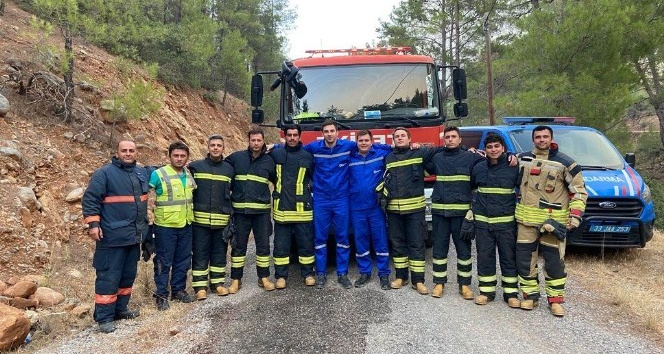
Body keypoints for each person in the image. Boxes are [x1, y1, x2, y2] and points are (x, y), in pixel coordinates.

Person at [515, 125, 587, 317]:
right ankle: (530, 297)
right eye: (538, 137)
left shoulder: (567, 164)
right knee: (524, 261)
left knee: (554, 263)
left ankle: (555, 301)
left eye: (545, 136)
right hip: (525, 222)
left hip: (553, 225)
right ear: (533, 140)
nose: (541, 140)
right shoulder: (522, 159)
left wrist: (575, 216)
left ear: (551, 138)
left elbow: (579, 192)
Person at [82, 140, 150, 333]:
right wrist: (93, 224)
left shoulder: (140, 172)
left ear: (136, 152)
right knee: (108, 277)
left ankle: (121, 310)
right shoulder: (104, 173)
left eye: (131, 150)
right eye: (124, 150)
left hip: (133, 236)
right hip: (111, 237)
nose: (128, 153)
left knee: (127, 276)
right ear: (117, 152)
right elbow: (90, 199)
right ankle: (104, 318)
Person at [379, 127, 440, 295]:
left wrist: (465, 148)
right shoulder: (388, 157)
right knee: (398, 245)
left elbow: (441, 150)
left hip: (415, 210)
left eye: (402, 136)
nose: (399, 138)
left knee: (416, 244)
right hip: (394, 211)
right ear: (393, 140)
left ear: (409, 138)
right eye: (397, 136)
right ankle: (401, 277)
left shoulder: (420, 153)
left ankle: (418, 281)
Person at [425, 126, 484, 300]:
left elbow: (488, 163)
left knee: (464, 251)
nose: (450, 139)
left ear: (460, 140)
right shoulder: (437, 157)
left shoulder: (471, 158)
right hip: (440, 214)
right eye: (447, 137)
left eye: (453, 137)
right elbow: (424, 163)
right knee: (439, 250)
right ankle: (439, 283)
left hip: (461, 214)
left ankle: (464, 285)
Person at [469, 133, 520, 308]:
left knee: (509, 258)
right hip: (483, 224)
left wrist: (516, 157)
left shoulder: (514, 166)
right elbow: (472, 189)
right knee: (485, 258)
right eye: (490, 147)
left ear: (503, 148)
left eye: (497, 146)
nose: (493, 150)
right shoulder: (478, 168)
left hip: (506, 224)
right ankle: (486, 292)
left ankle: (511, 293)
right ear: (485, 149)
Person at [225, 127, 276, 293]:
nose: (256, 143)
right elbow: (219, 169)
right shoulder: (236, 158)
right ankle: (235, 280)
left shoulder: (269, 161)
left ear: (263, 142)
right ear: (248, 141)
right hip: (240, 213)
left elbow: (278, 182)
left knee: (263, 247)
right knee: (238, 247)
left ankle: (264, 278)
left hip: (261, 213)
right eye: (253, 140)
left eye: (259, 140)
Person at [149, 141, 196, 310]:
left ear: (187, 158)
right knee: (163, 261)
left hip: (186, 223)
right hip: (165, 226)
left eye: (183, 156)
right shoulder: (158, 174)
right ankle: (161, 294)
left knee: (183, 260)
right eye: (176, 155)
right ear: (169, 156)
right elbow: (144, 195)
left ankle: (178, 290)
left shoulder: (189, 174)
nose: (179, 159)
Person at [188, 134, 235, 300]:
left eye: (219, 145)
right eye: (213, 145)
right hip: (200, 222)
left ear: (223, 148)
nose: (216, 148)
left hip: (221, 221)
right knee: (200, 253)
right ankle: (200, 287)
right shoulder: (195, 167)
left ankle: (218, 284)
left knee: (219, 253)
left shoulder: (230, 169)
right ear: (208, 147)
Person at [269, 124, 316, 289]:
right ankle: (281, 277)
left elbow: (313, 178)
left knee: (306, 244)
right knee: (281, 246)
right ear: (285, 136)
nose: (292, 138)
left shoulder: (308, 156)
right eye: (289, 135)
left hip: (302, 209)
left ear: (300, 136)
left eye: (295, 135)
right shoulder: (276, 154)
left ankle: (308, 274)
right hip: (282, 209)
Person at [349, 130, 391, 290]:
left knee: (380, 240)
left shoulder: (381, 154)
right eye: (361, 141)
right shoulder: (350, 158)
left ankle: (384, 274)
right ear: (356, 142)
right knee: (361, 241)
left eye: (367, 140)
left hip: (375, 208)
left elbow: (395, 147)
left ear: (372, 141)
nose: (364, 143)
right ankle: (365, 272)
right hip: (357, 207)